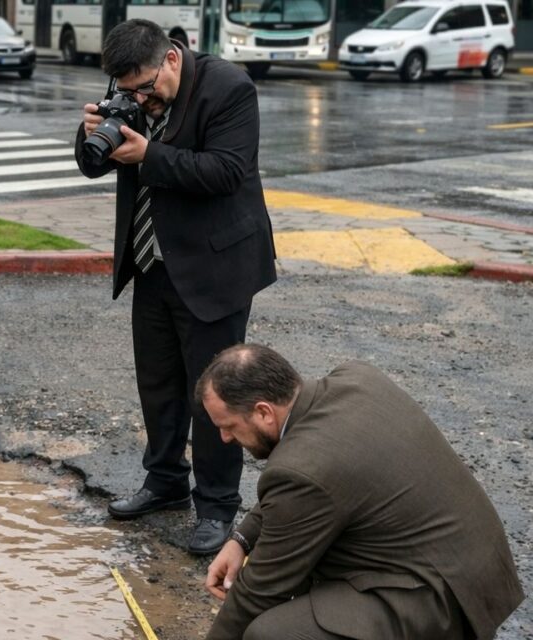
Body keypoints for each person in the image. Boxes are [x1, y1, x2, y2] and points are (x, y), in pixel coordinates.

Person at [73, 19, 276, 554]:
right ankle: (165, 481)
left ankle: (217, 506)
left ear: (170, 59)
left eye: (145, 88)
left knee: (216, 392)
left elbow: (226, 171)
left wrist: (149, 155)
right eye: (128, 90)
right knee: (158, 381)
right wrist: (93, 133)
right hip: (151, 261)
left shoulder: (228, 88)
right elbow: (92, 167)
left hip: (214, 267)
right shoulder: (131, 89)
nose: (140, 98)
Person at [197, 344, 524, 640]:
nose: (225, 438)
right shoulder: (356, 378)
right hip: (476, 569)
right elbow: (298, 493)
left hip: (440, 599)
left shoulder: (303, 469)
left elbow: (261, 590)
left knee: (270, 633)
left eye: (228, 426)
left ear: (263, 412)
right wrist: (241, 540)